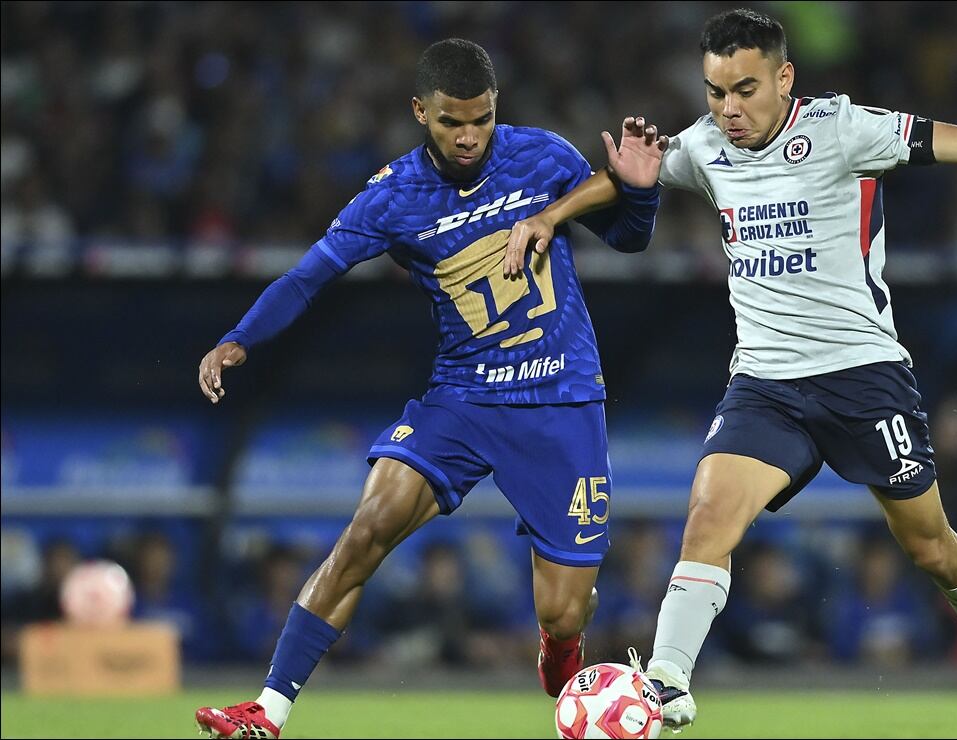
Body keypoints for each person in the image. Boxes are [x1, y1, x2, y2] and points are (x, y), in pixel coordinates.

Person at [504, 9, 957, 737]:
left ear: (784, 77)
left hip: (862, 376)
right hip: (764, 384)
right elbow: (626, 175)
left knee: (930, 548)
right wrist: (553, 216)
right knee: (708, 516)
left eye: (745, 89)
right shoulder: (703, 146)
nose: (728, 109)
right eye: (714, 91)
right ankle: (665, 682)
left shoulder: (844, 129)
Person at [193, 38, 667, 740]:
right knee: (368, 527)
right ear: (421, 111)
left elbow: (629, 237)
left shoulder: (543, 156)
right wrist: (240, 337)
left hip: (560, 397)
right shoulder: (392, 195)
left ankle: (560, 652)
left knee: (564, 610)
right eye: (451, 122)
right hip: (462, 397)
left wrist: (640, 188)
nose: (469, 135)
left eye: (480, 118)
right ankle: (267, 710)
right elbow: (307, 277)